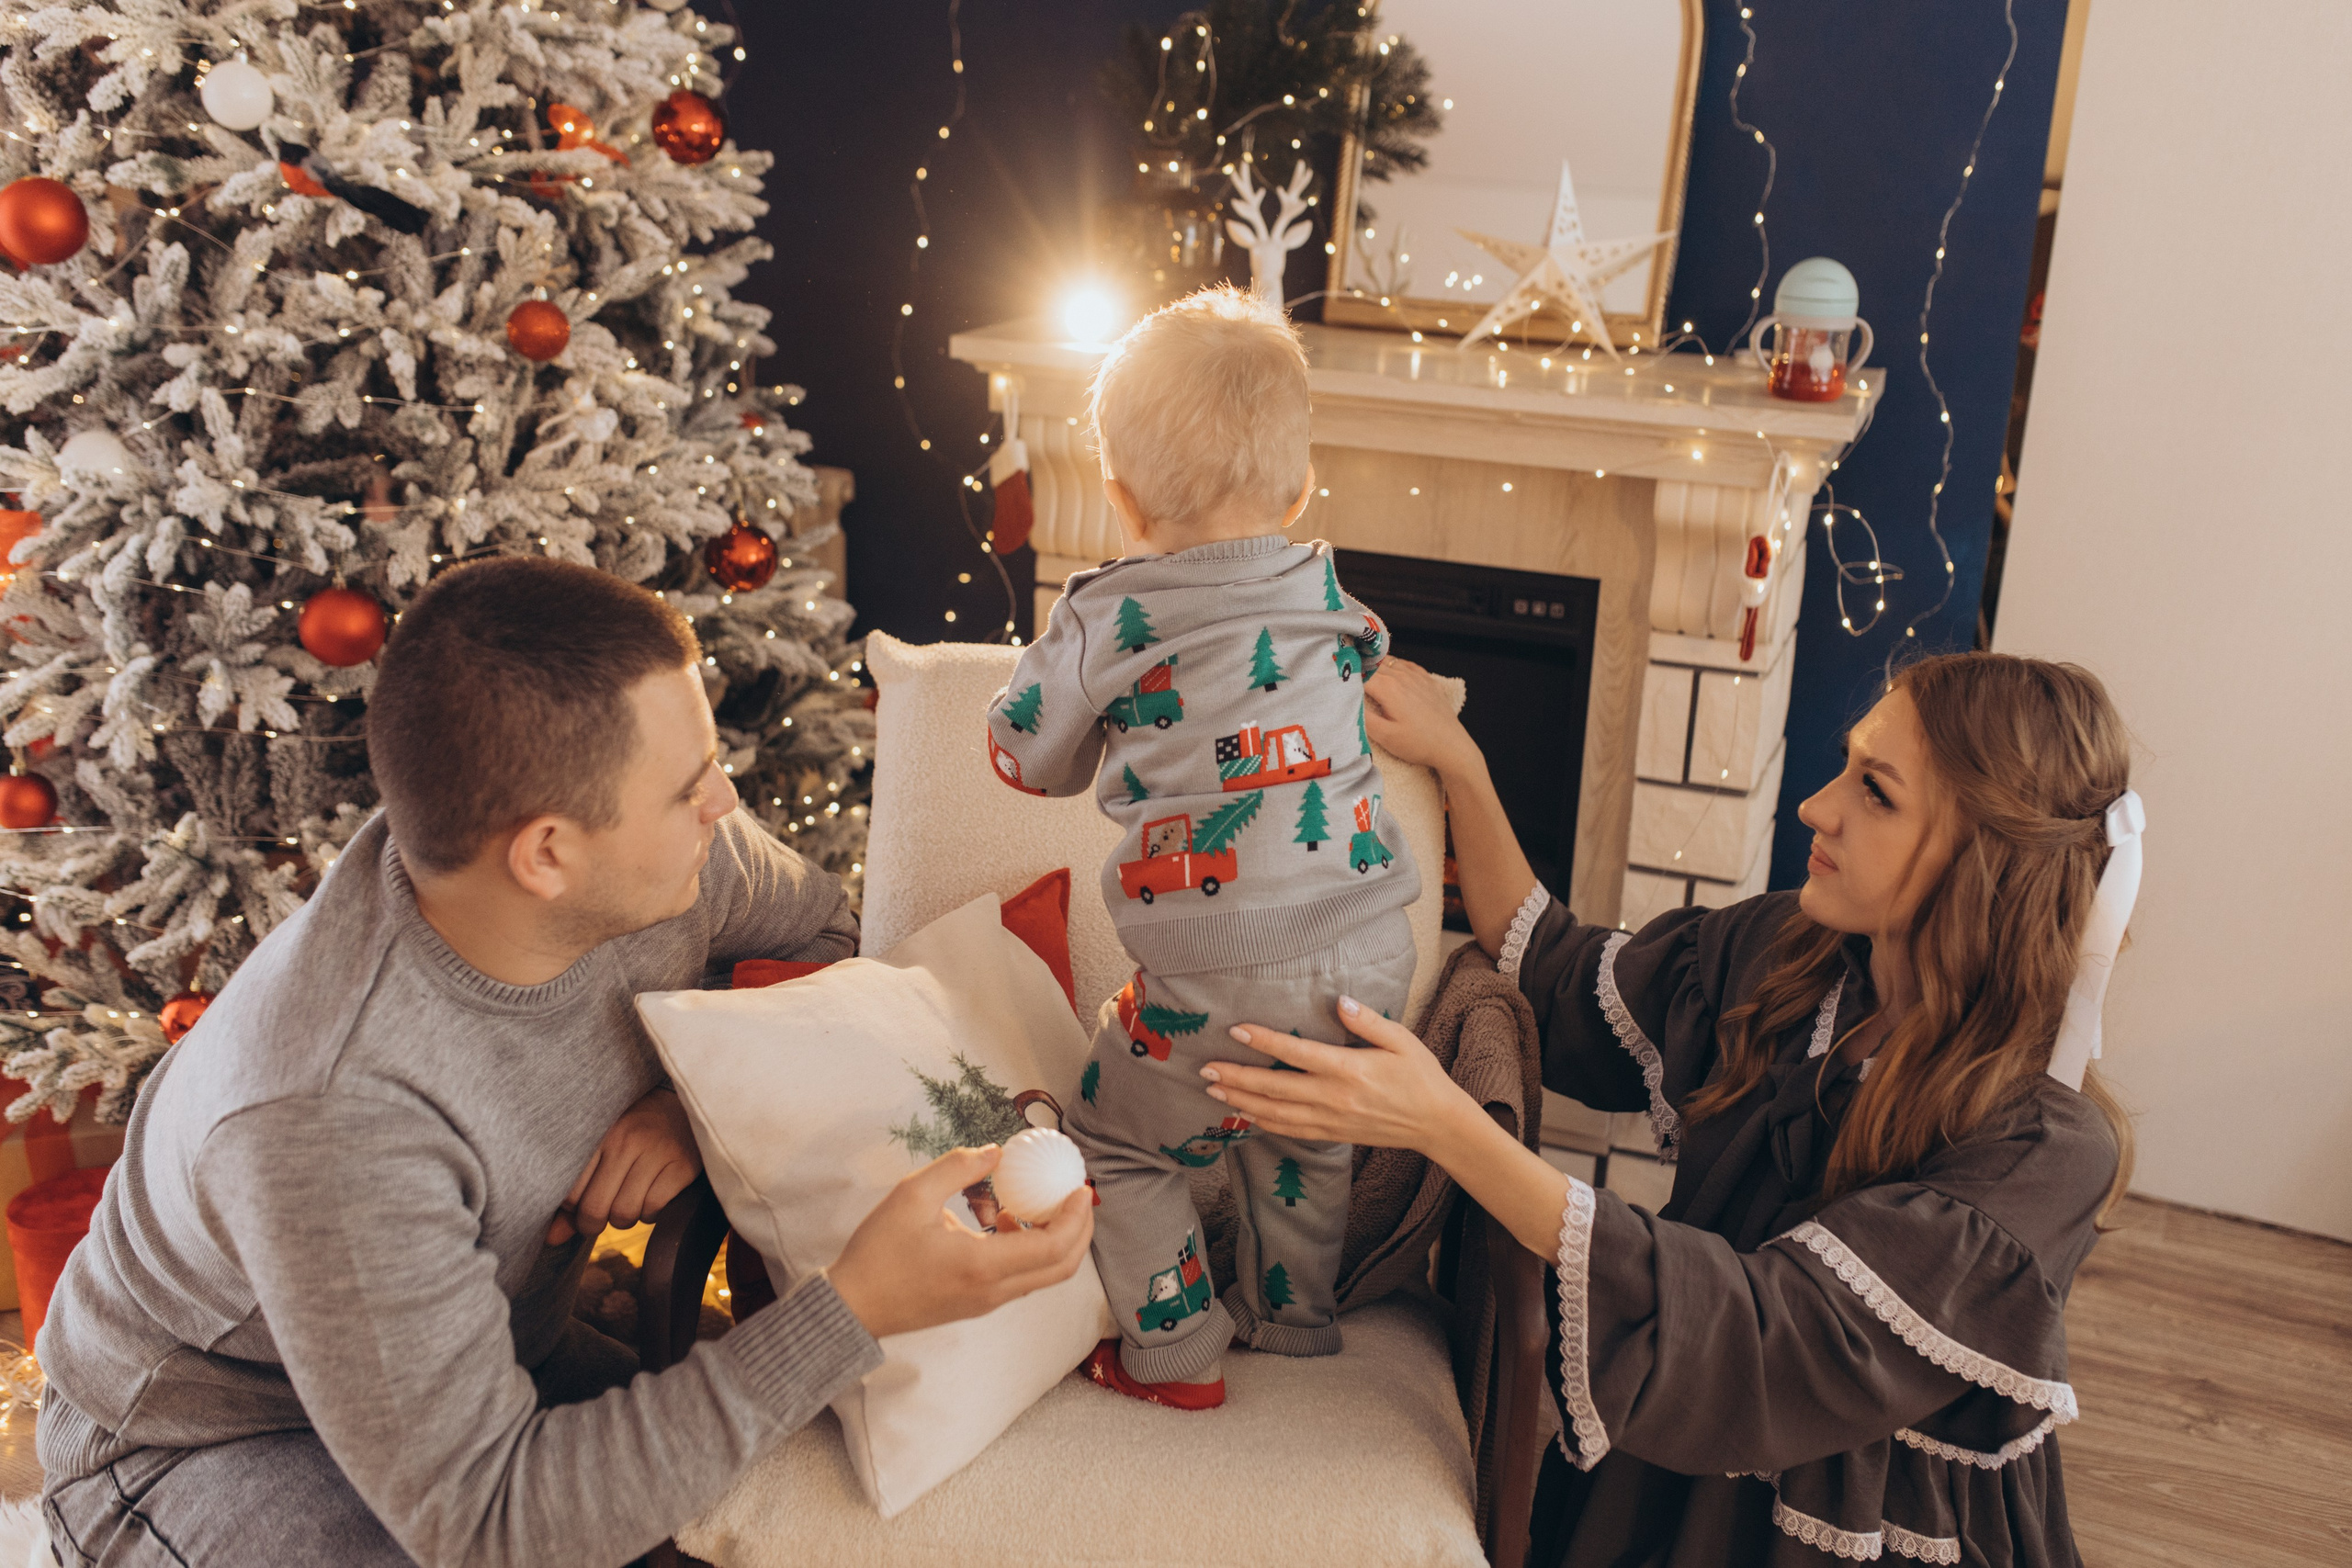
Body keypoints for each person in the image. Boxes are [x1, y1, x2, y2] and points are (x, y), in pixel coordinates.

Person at [36, 558, 1093, 1567]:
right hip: (204, 1444)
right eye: (686, 788)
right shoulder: (330, 1116)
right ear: (546, 853)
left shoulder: (684, 859)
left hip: (482, 1371)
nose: (723, 804)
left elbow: (825, 937)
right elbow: (493, 1525)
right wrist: (857, 1307)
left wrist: (688, 1103)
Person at [1200, 650, 2137, 1565]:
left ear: (1987, 862)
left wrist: (1441, 1124)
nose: (1818, 807)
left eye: (1875, 792)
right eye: (1846, 768)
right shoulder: (1791, 960)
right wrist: (1461, 766)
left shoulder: (2041, 1152)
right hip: (1671, 1465)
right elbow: (1560, 972)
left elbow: (1769, 1341)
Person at [981, 287, 1414, 1410]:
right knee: (1302, 1129)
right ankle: (1296, 1324)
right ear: (1302, 488)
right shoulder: (1324, 590)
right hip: (1375, 949)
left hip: (1217, 969)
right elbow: (1380, 672)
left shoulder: (1104, 615)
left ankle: (1174, 1350)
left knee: (1114, 1143)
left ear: (1119, 500)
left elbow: (1026, 757)